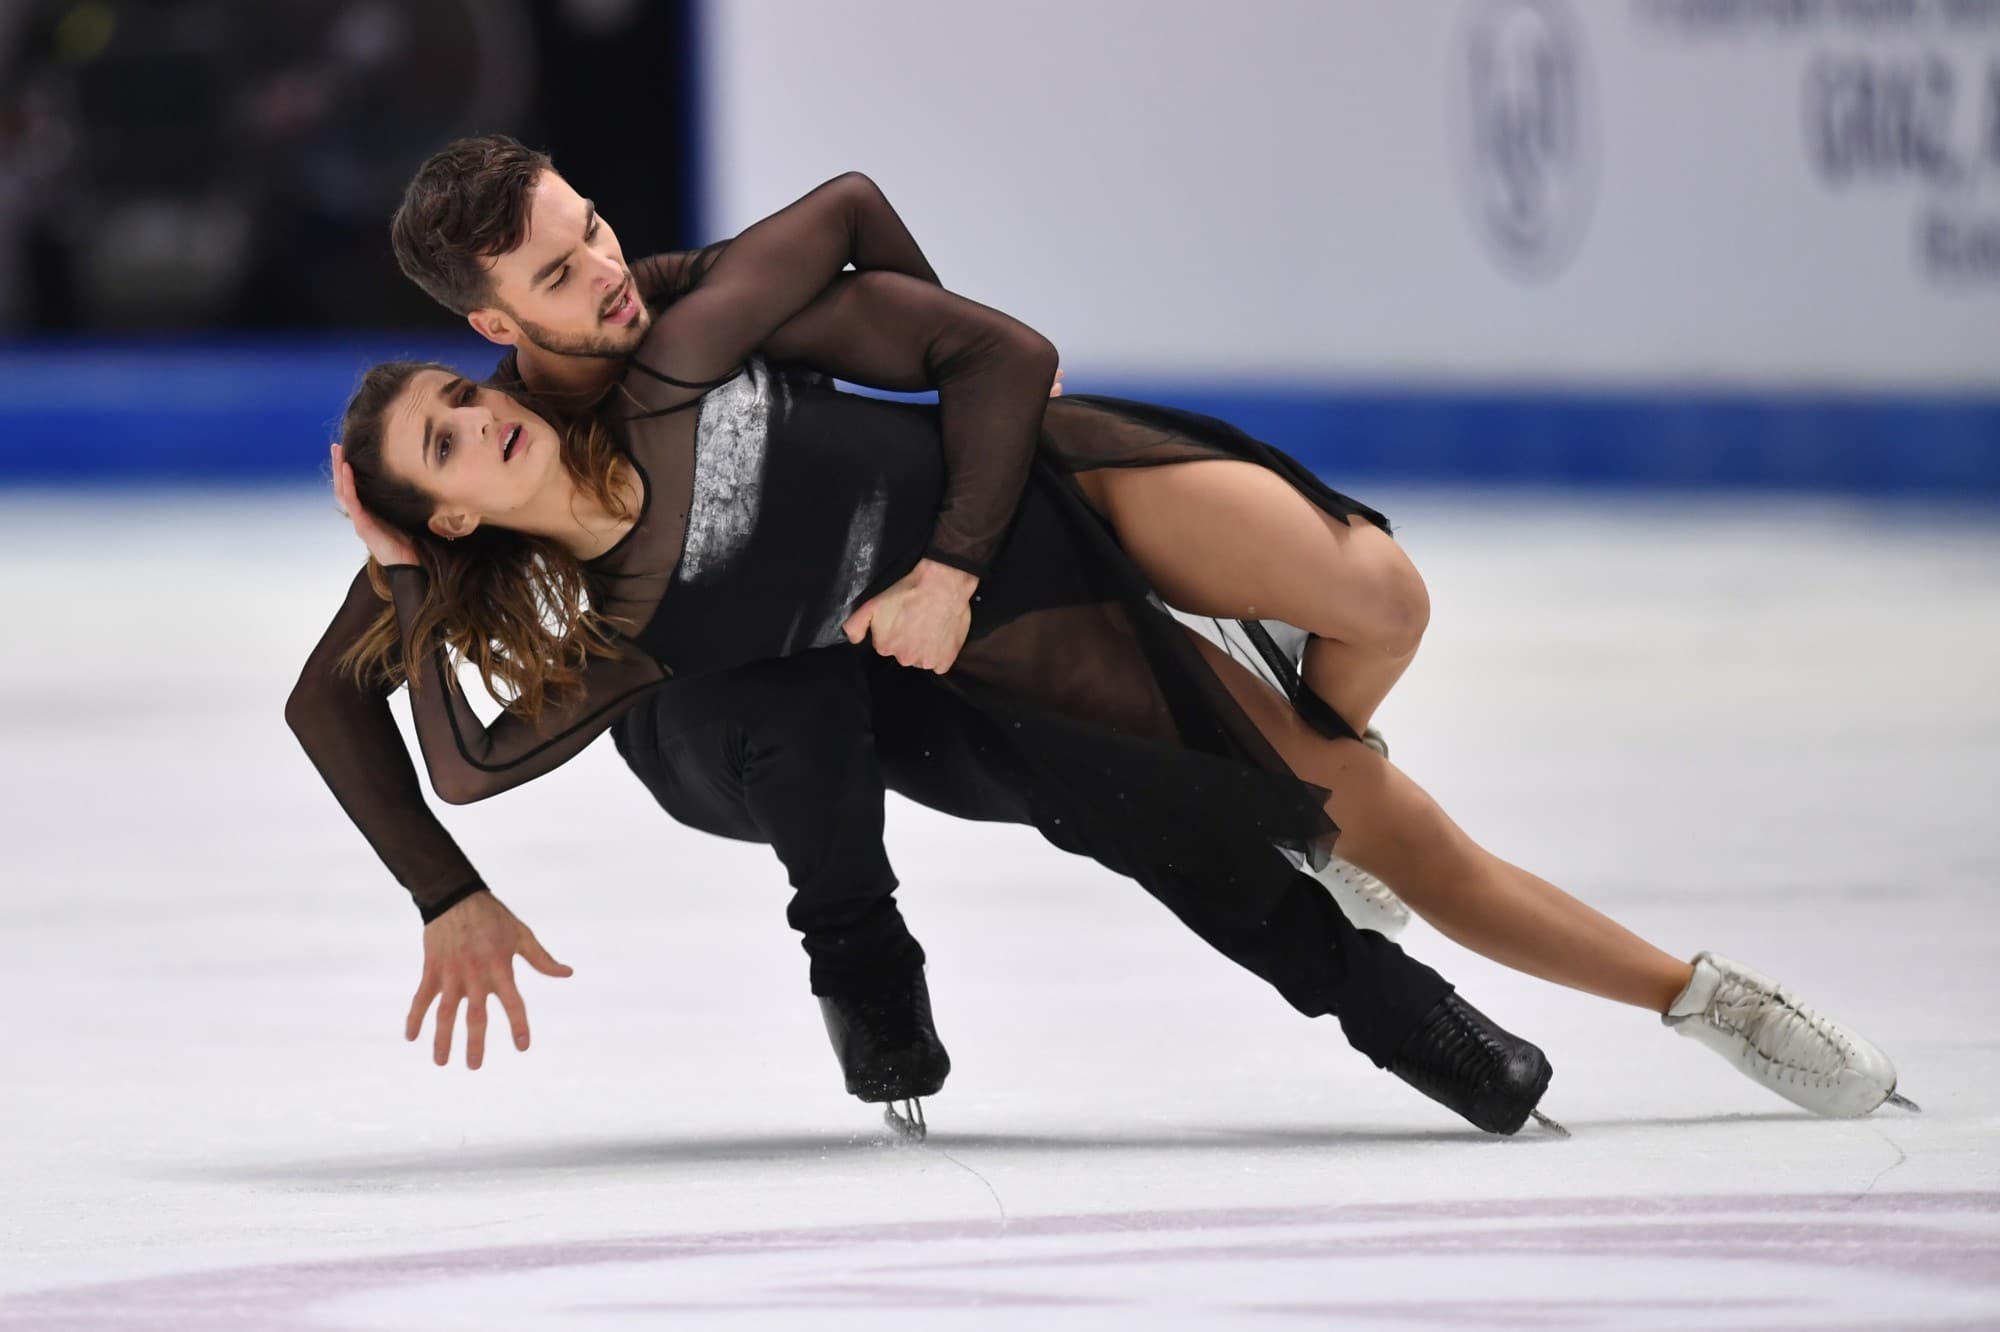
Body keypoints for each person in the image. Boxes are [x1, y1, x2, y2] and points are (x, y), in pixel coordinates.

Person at [295, 136, 1912, 1135]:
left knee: (1382, 599)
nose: (600, 273)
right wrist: (442, 848)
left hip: (1015, 490)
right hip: (973, 634)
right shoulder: (482, 456)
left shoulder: (685, 308)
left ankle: (1314, 745)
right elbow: (389, 709)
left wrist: (941, 454)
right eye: (557, 274)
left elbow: (904, 268)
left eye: (589, 232)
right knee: (1394, 835)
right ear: (490, 328)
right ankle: (1705, 1000)